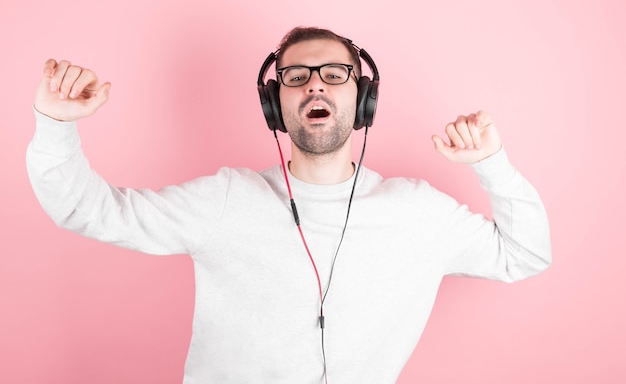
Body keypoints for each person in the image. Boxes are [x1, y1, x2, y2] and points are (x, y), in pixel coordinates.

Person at [26, 26, 551, 384]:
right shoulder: (227, 199)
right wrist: (54, 125)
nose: (314, 83)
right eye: (296, 77)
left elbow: (526, 254)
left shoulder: (418, 212)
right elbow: (86, 210)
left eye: (334, 73)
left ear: (363, 98)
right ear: (274, 104)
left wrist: (493, 163)